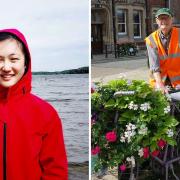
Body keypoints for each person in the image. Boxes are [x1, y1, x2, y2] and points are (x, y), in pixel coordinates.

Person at [0, 29, 68, 179]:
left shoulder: (45, 113)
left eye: (13, 59)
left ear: (26, 63)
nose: (5, 67)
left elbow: (55, 170)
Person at [145, 8, 180, 93]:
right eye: (161, 18)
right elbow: (154, 66)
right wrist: (160, 85)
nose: (164, 21)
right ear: (156, 21)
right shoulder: (151, 39)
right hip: (159, 80)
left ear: (172, 19)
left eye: (166, 18)